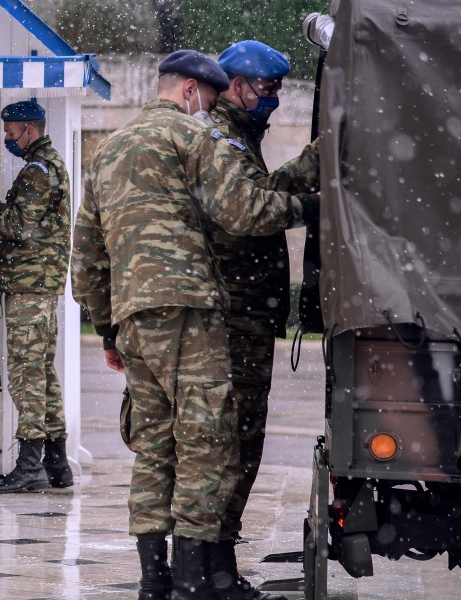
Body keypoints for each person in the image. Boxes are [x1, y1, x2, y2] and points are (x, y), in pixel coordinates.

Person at [70, 50, 319, 600]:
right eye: (208, 98)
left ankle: (153, 580)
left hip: (132, 318)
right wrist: (313, 208)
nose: (210, 108)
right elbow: (244, 212)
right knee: (208, 443)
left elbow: (85, 254)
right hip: (189, 311)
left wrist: (108, 329)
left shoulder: (108, 149)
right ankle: (192, 580)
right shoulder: (193, 136)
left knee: (154, 448)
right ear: (188, 91)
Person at [205, 40, 318, 600]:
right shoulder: (222, 139)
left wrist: (307, 167)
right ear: (237, 86)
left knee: (237, 443)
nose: (273, 99)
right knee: (233, 445)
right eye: (267, 89)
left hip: (246, 315)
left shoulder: (240, 137)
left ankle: (210, 562)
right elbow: (248, 210)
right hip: (233, 317)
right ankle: (213, 568)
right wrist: (310, 200)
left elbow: (260, 193)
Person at [0, 100, 73, 494]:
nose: (8, 139)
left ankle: (30, 465)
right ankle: (57, 463)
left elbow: (18, 226)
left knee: (26, 374)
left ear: (30, 129)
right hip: (41, 285)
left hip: (30, 287)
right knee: (43, 374)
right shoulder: (50, 164)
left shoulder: (37, 171)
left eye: (11, 133)